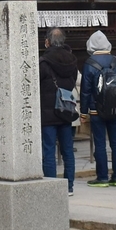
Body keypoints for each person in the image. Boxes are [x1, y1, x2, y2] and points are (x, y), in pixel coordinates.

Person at [82, 31, 116, 188]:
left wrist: (83, 111)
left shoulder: (90, 63)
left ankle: (102, 177)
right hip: (115, 109)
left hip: (96, 110)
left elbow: (85, 90)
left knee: (100, 143)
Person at [39, 28, 80, 195]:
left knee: (49, 149)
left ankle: (51, 186)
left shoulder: (43, 62)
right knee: (67, 150)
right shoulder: (72, 60)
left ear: (48, 42)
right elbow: (72, 83)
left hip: (47, 111)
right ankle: (69, 186)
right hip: (66, 109)